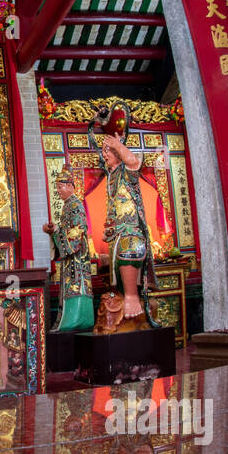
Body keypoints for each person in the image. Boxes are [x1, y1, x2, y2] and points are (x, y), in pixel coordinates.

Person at [99, 133, 155, 322]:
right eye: (103, 151)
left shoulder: (126, 170)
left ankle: (132, 296)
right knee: (114, 262)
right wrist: (109, 227)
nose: (104, 155)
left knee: (129, 249)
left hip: (131, 228)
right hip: (117, 230)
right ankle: (123, 294)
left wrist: (118, 145)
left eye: (108, 151)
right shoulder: (111, 176)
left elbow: (134, 162)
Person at [43, 170, 94, 332]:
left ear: (71, 187)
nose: (59, 190)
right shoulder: (68, 205)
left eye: (61, 186)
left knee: (77, 284)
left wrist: (57, 231)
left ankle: (76, 320)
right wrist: (55, 231)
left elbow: (76, 232)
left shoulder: (75, 205)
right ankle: (69, 320)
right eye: (57, 187)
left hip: (77, 256)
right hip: (72, 257)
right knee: (71, 285)